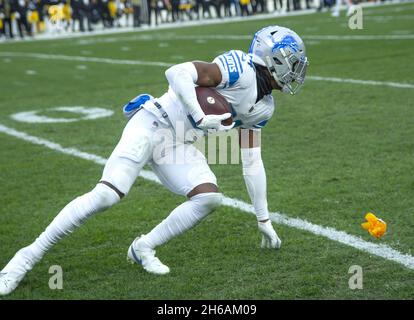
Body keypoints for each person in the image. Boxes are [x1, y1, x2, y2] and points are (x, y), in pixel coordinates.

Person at [0, 25, 308, 295]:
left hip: (177, 144)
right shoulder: (238, 67)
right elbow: (177, 72)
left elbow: (252, 161)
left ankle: (143, 247)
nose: (297, 70)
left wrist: (263, 218)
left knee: (209, 198)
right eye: (292, 62)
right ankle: (23, 259)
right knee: (107, 195)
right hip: (152, 123)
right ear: (273, 60)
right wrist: (200, 115)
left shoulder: (265, 107)